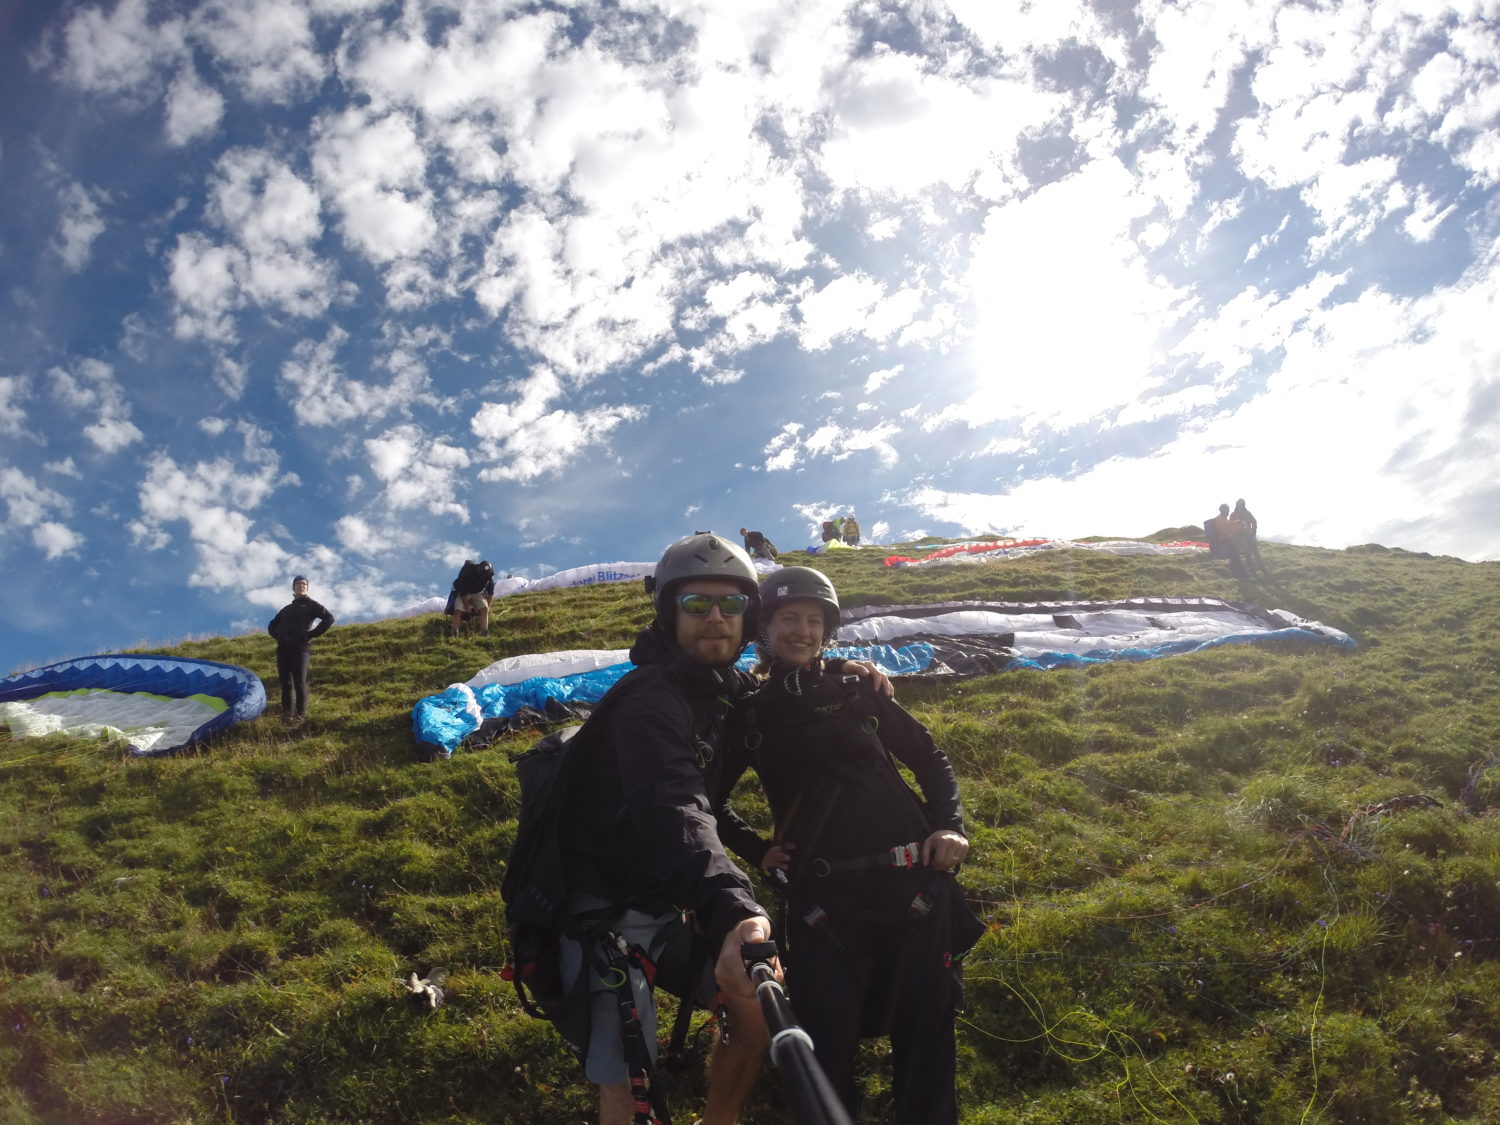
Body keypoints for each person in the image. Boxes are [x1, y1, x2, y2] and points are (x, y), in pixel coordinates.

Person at [715, 565, 978, 1125]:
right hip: (822, 906)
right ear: (765, 627)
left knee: (927, 1034)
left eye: (814, 621)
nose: (802, 631)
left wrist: (950, 825)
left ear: (827, 630)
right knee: (826, 1045)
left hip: (913, 887)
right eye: (789, 618)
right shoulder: (750, 713)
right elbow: (709, 800)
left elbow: (930, 760)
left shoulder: (859, 688)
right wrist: (756, 848)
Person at [554, 532, 775, 1125]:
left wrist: (842, 670)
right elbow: (672, 806)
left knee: (753, 1009)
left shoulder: (719, 696)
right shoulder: (650, 699)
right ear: (666, 611)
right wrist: (732, 907)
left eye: (731, 606)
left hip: (665, 899)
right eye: (696, 605)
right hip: (597, 912)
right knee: (629, 1078)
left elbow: (706, 804)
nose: (716, 620)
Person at [266, 575, 335, 721]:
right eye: (298, 584)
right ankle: (286, 714)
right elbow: (272, 626)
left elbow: (329, 618)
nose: (301, 586)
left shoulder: (311, 605)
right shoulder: (286, 609)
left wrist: (311, 634)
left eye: (304, 584)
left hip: (301, 648)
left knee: (299, 682)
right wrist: (279, 637)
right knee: (285, 683)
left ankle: (300, 715)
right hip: (283, 649)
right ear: (294, 587)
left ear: (307, 588)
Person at [448, 559, 495, 638]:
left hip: (477, 592)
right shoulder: (468, 570)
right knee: (458, 610)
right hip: (463, 592)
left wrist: (488, 607)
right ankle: (454, 633)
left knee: (484, 609)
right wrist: (466, 606)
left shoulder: (489, 576)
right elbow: (462, 589)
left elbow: (490, 593)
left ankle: (485, 633)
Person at [1205, 503, 1248, 580]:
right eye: (1227, 511)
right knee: (1234, 553)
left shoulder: (1223, 519)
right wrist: (1239, 525)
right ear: (1222, 511)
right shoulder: (1219, 519)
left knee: (1234, 553)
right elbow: (1227, 527)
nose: (1228, 512)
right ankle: (1241, 576)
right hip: (1218, 547)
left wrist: (1238, 528)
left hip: (1222, 544)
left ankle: (1239, 575)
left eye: (1228, 511)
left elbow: (1229, 528)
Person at [1231, 498, 1265, 574]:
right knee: (1248, 553)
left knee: (1254, 552)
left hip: (1247, 534)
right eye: (1240, 505)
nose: (1241, 506)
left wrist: (1253, 531)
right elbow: (1230, 525)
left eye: (1242, 505)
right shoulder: (1233, 515)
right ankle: (1252, 570)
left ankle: (1261, 568)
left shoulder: (1246, 513)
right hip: (1239, 536)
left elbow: (1254, 522)